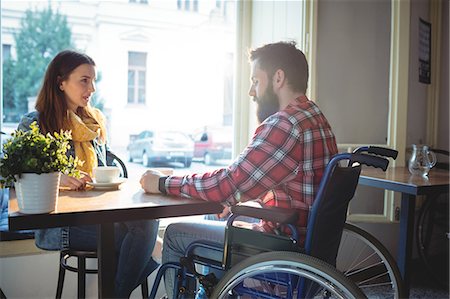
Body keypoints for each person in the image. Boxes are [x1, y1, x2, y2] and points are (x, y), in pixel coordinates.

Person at [140, 41, 338, 298]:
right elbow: (282, 179)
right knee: (216, 216)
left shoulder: (285, 124)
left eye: (256, 80)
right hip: (305, 243)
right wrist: (235, 196)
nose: (250, 91)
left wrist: (163, 183)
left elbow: (228, 183)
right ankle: (212, 290)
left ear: (278, 78)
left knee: (176, 235)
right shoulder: (316, 118)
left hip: (281, 249)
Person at [18, 50, 160, 298]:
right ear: (60, 82)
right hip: (59, 226)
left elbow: (102, 176)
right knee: (150, 243)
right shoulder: (35, 124)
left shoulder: (94, 124)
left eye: (93, 80)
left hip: (98, 216)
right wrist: (57, 178)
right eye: (84, 80)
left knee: (148, 227)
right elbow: (17, 175)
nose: (92, 88)